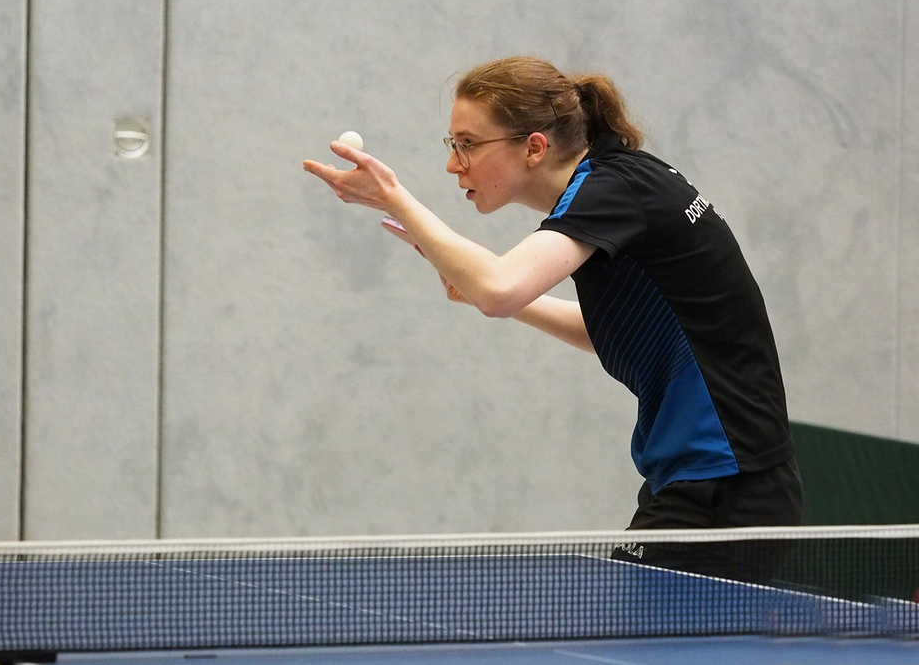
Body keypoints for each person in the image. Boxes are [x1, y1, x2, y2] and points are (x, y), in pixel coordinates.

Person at [303, 56, 803, 582]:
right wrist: (497, 295)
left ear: (534, 147)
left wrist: (394, 198)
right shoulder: (621, 183)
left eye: (467, 144)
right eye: (452, 144)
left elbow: (498, 288)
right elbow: (611, 329)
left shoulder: (611, 191)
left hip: (726, 486)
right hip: (708, 479)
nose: (453, 164)